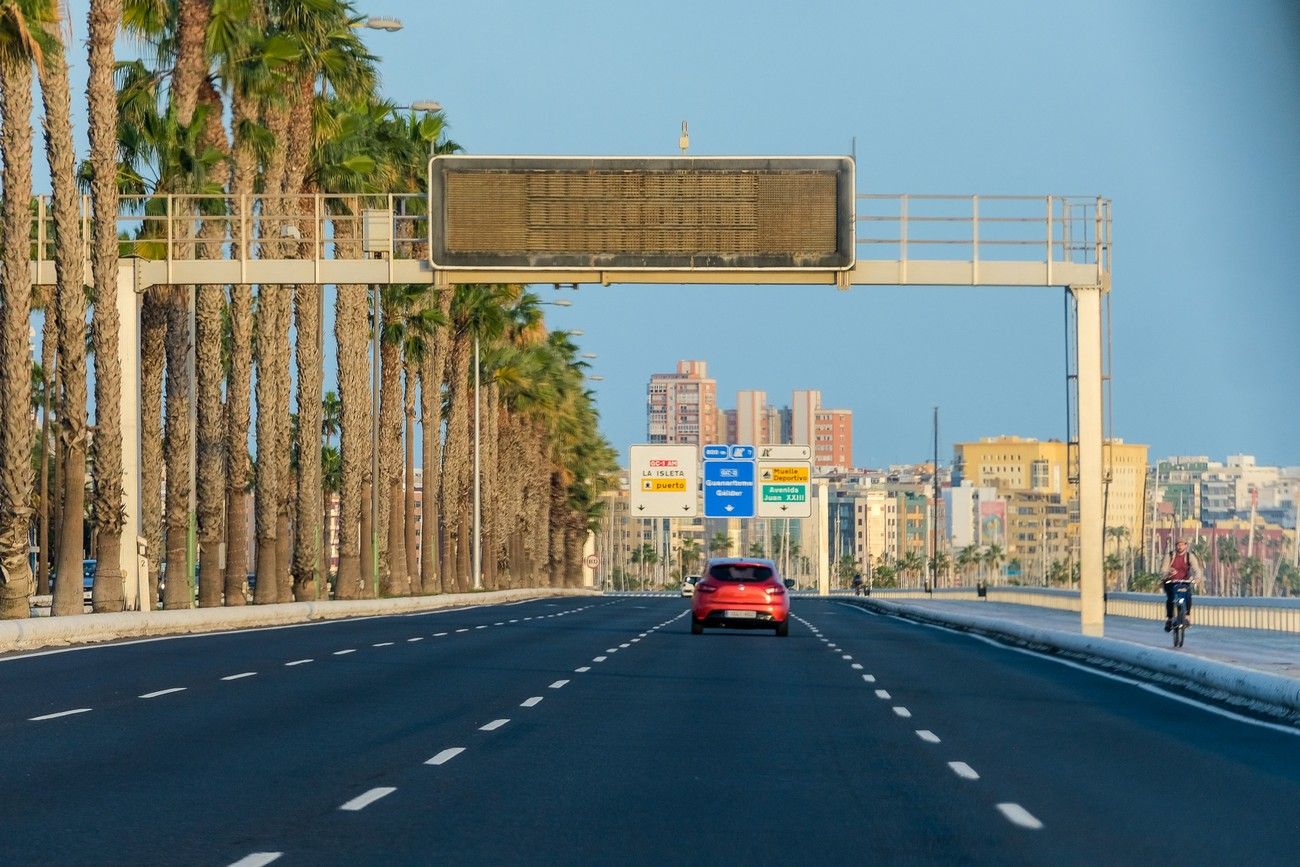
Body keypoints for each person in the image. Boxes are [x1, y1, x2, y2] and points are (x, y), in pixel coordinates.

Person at [1162, 538, 1203, 632]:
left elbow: (1197, 570)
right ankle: (1169, 619)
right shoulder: (1170, 556)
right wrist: (1168, 572)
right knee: (1171, 599)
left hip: (1184, 582)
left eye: (1182, 544)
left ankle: (1187, 616)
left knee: (1188, 596)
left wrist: (1197, 579)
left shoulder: (1189, 556)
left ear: (1185, 545)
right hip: (1171, 582)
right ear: (1175, 545)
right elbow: (1163, 570)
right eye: (1178, 544)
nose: (1179, 546)